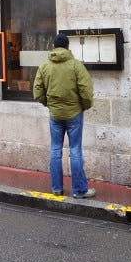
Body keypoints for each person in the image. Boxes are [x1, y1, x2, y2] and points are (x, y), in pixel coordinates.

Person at [33, 33, 95, 198]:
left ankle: (57, 189)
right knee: (75, 151)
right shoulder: (76, 66)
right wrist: (84, 106)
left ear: (53, 46)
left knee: (55, 150)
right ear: (68, 47)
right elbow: (86, 91)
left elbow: (37, 91)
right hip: (74, 114)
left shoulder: (45, 66)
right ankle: (79, 190)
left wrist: (49, 104)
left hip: (55, 115)